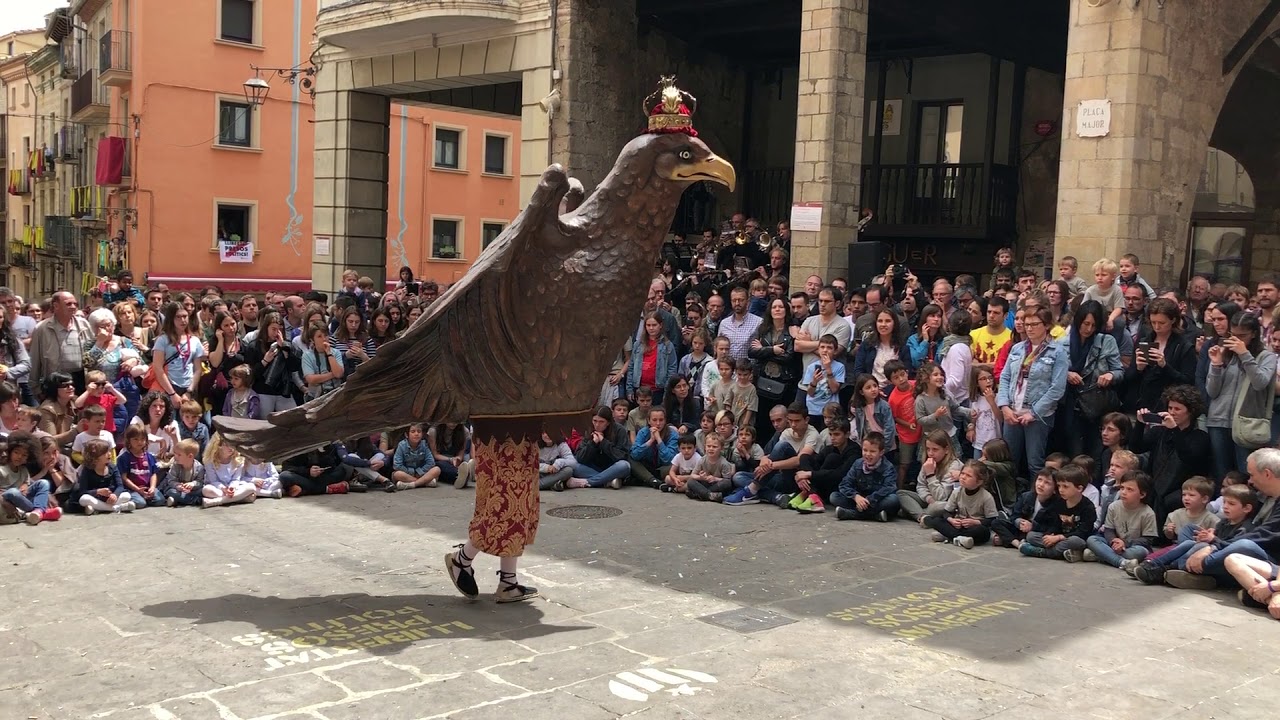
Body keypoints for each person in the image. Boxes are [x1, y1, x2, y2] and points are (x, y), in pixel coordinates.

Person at [1018, 464, 1097, 561]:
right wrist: (1050, 535)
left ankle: (1043, 553)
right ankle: (1063, 553)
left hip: (1075, 539)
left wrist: (1059, 537)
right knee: (1031, 536)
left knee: (1075, 541)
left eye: (1065, 486)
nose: (1061, 490)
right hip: (1058, 539)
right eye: (1059, 486)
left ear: (1079, 488)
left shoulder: (1088, 507)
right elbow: (1055, 523)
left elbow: (1083, 532)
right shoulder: (1059, 502)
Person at [1084, 470, 1158, 567]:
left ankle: (1100, 555)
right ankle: (1122, 562)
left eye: (1129, 489)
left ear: (1142, 494)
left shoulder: (1148, 513)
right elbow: (1108, 530)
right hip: (1114, 544)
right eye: (1122, 488)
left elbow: (1147, 539)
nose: (1123, 492)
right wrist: (1114, 541)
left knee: (1140, 552)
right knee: (1092, 539)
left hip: (1133, 546)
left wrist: (1124, 543)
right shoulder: (1113, 507)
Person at [923, 460, 998, 549]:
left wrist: (975, 522)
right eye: (962, 474)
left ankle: (949, 536)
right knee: (937, 520)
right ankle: (959, 538)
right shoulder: (957, 492)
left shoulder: (986, 496)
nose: (963, 477)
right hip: (958, 525)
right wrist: (951, 520)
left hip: (974, 527)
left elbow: (992, 520)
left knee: (983, 532)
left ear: (979, 482)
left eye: (968, 476)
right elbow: (947, 512)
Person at [831, 431, 899, 522]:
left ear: (881, 452)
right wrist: (856, 497)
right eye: (865, 450)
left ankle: (852, 514)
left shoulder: (888, 467)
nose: (868, 454)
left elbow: (889, 487)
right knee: (834, 496)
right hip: (859, 499)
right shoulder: (858, 463)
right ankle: (875, 515)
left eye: (872, 451)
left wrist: (869, 500)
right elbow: (844, 484)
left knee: (893, 500)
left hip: (876, 500)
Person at [898, 429, 962, 521]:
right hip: (929, 499)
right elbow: (920, 486)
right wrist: (928, 499)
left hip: (944, 503)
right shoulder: (928, 461)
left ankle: (914, 512)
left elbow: (941, 497)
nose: (930, 453)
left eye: (935, 449)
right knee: (901, 494)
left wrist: (930, 475)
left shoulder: (955, 465)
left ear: (946, 450)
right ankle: (922, 517)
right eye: (928, 449)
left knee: (937, 507)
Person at [568, 407, 632, 489]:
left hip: (613, 468)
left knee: (624, 465)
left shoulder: (619, 430)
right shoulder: (589, 429)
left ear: (608, 422)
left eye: (601, 422)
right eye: (595, 421)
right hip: (593, 469)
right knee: (574, 465)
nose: (597, 425)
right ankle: (607, 481)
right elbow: (580, 458)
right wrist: (593, 444)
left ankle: (588, 482)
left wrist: (603, 442)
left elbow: (622, 456)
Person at [201, 434, 257, 508]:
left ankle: (216, 501)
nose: (231, 448)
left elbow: (236, 479)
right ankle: (240, 498)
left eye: (233, 445)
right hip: (217, 488)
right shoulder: (209, 461)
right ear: (218, 445)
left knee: (251, 487)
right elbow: (213, 480)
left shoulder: (238, 460)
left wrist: (232, 488)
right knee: (206, 490)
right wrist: (223, 488)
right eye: (227, 445)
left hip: (233, 488)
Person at [393, 423, 441, 490]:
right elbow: (397, 465)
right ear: (407, 435)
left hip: (421, 473)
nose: (416, 434)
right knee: (397, 474)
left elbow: (431, 462)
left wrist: (419, 472)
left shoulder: (424, 444)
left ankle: (412, 484)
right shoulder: (401, 445)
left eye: (419, 431)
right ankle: (424, 482)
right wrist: (412, 472)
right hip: (407, 473)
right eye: (413, 432)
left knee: (437, 469)